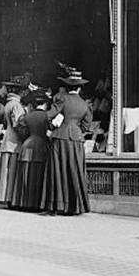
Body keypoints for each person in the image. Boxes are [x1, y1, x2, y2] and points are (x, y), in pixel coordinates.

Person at [40, 65, 93, 215]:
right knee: (74, 170)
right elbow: (86, 125)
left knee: (57, 170)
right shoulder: (85, 104)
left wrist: (52, 123)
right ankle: (75, 206)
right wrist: (76, 130)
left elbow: (49, 115)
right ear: (80, 88)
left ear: (67, 86)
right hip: (76, 139)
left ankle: (57, 205)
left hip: (60, 136)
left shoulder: (62, 99)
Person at [8, 88, 52, 212]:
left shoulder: (26, 117)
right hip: (42, 145)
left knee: (27, 174)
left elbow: (20, 130)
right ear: (45, 103)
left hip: (27, 145)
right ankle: (38, 204)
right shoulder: (47, 116)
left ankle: (25, 202)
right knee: (39, 175)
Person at [0, 75, 28, 203]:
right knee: (12, 171)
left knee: (6, 171)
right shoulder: (16, 105)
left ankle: (4, 196)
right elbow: (18, 125)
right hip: (15, 142)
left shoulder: (8, 104)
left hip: (7, 140)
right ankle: (10, 198)